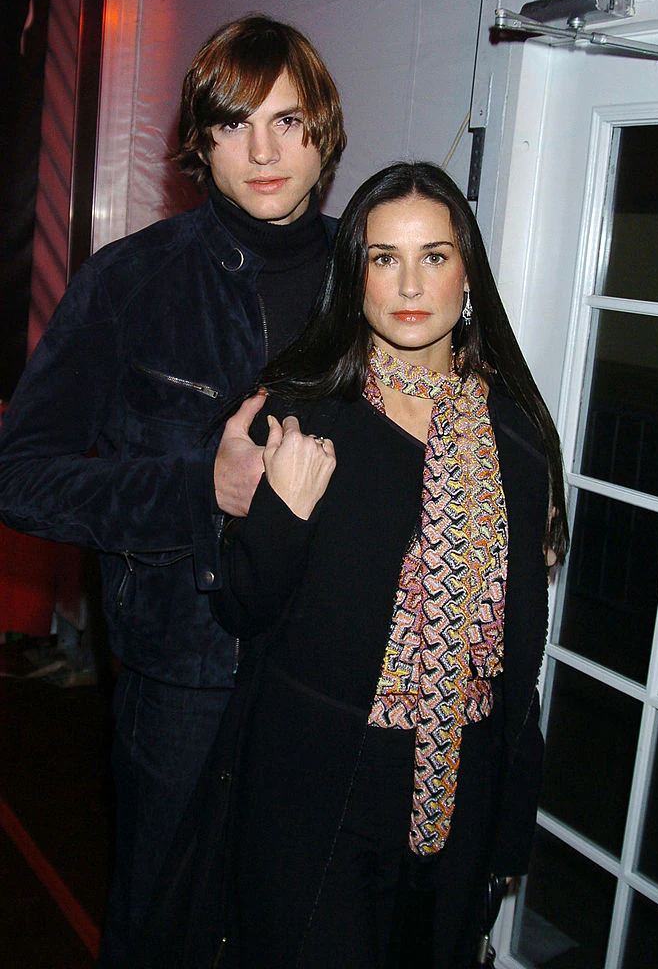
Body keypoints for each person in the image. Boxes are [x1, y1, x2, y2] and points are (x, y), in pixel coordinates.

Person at [133, 161, 568, 969]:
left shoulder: (514, 435)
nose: (409, 283)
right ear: (354, 276)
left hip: (460, 780)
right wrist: (284, 513)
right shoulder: (304, 408)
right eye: (382, 257)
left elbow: (516, 664)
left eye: (434, 256)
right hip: (322, 780)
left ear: (466, 273)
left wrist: (509, 818)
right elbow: (242, 610)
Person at [0, 15, 345, 967]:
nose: (265, 151)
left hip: (332, 668)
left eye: (288, 120)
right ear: (200, 143)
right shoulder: (129, 283)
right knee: (160, 919)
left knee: (296, 918)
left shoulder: (371, 279)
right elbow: (21, 477)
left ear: (324, 130)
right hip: (187, 670)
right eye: (235, 125)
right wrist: (204, 493)